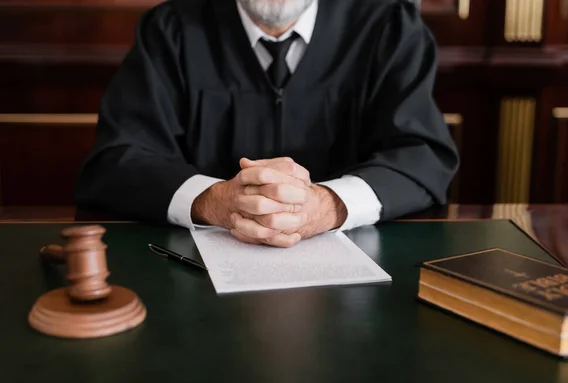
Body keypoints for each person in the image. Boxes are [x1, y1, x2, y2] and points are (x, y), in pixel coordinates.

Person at [75, 0, 459, 248]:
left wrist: (326, 207)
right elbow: (119, 157)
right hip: (195, 277)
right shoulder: (171, 29)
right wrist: (216, 200)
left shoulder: (387, 24)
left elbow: (421, 153)